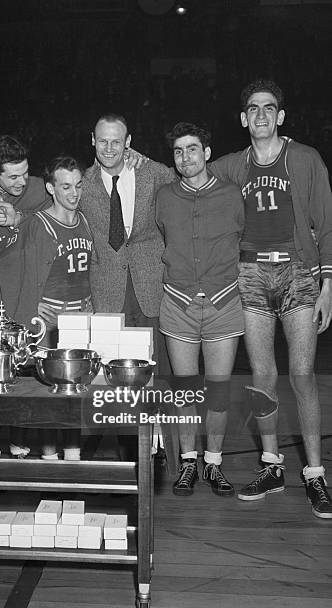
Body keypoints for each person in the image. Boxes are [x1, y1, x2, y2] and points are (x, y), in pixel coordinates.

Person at [208, 79, 332, 518]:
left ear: (280, 116)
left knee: (301, 374)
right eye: (253, 109)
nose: (261, 115)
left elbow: (327, 221)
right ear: (243, 119)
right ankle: (272, 465)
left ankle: (315, 474)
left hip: (299, 273)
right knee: (262, 375)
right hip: (250, 274)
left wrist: (328, 285)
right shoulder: (230, 166)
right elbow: (188, 176)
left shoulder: (304, 158)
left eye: (269, 108)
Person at [156, 122, 245, 497]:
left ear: (207, 153)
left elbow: (244, 238)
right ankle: (189, 462)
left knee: (219, 392)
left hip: (224, 302)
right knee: (186, 391)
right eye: (178, 151)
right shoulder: (163, 196)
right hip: (178, 303)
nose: (185, 157)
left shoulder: (231, 194)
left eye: (192, 149)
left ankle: (214, 463)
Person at [79, 113, 175, 460]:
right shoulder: (82, 183)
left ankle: (155, 446)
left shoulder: (151, 173)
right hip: (105, 291)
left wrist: (146, 158)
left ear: (128, 142)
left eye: (116, 141)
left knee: (151, 370)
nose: (108, 148)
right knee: (110, 374)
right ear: (92, 140)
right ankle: (122, 450)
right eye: (102, 140)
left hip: (150, 287)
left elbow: (187, 174)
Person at [0, 156, 94, 459]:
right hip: (49, 322)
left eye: (78, 186)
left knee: (74, 396)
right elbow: (11, 269)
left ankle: (73, 460)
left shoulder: (85, 220)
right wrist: (31, 305)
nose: (73, 193)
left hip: (81, 317)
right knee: (49, 396)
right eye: (65, 187)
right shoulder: (38, 224)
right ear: (50, 188)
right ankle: (50, 459)